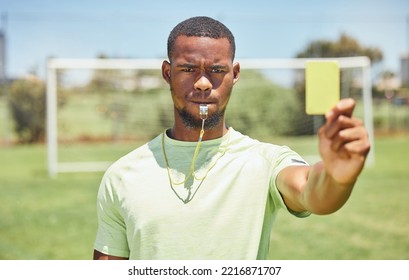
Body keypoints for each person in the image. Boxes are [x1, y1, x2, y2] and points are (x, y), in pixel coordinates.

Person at [93, 16, 370, 260]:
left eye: (216, 70)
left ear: (234, 74)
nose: (203, 83)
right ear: (168, 73)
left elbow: (311, 191)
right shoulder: (122, 175)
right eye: (188, 69)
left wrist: (337, 176)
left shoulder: (265, 161)